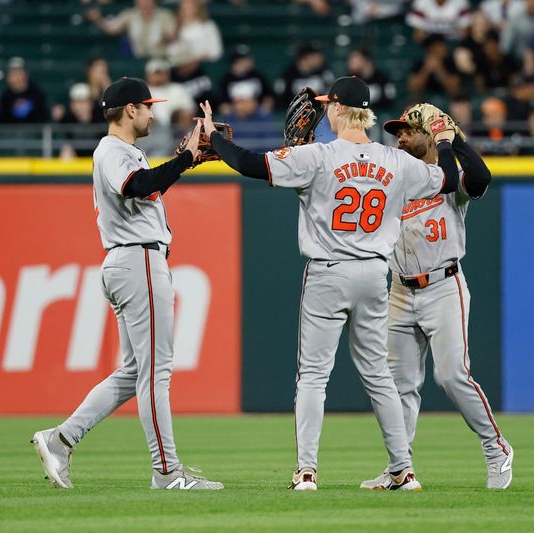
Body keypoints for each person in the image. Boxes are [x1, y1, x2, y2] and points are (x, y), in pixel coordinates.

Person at [199, 76, 463, 490]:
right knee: (378, 376)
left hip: (328, 270)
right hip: (376, 273)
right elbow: (447, 179)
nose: (324, 112)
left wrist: (215, 138)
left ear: (338, 109)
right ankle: (403, 470)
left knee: (313, 376)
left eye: (328, 106)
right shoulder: (396, 162)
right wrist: (445, 142)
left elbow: (251, 164)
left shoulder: (318, 157)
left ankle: (306, 472)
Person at [31, 76, 223, 490]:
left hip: (132, 261)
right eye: (148, 106)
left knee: (135, 371)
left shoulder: (125, 151)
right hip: (137, 260)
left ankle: (60, 439)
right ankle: (167, 472)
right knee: (156, 374)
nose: (154, 112)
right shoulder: (112, 150)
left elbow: (149, 186)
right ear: (130, 109)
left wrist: (186, 160)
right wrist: (186, 157)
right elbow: (139, 186)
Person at [360, 105, 513, 490]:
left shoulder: (449, 177)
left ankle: (496, 448)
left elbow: (480, 178)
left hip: (444, 285)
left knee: (452, 375)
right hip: (400, 289)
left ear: (429, 136)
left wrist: (454, 140)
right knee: (399, 385)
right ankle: (400, 468)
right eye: (398, 132)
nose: (400, 137)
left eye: (409, 131)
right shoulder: (394, 179)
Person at [86, 0, 176, 59]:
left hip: (160, 58)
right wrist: (98, 19)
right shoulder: (129, 15)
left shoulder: (165, 15)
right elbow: (112, 28)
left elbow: (172, 36)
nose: (145, 3)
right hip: (137, 58)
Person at [166, 0, 223, 68]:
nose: (188, 10)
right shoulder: (176, 26)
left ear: (198, 8)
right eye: (185, 7)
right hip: (180, 67)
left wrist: (199, 58)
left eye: (191, 7)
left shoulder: (208, 26)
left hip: (202, 66)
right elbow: (171, 51)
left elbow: (216, 52)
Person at [219, 45, 274, 114]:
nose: (243, 63)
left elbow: (268, 96)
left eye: (246, 60)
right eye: (240, 61)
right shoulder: (227, 79)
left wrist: (264, 107)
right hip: (235, 114)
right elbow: (223, 104)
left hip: (257, 113)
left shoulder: (258, 76)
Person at [58, 83, 107, 159]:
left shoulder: (101, 118)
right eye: (74, 102)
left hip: (99, 159)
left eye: (82, 102)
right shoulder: (66, 119)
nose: (78, 106)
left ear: (90, 103)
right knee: (66, 150)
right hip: (76, 164)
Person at [0, 57, 49, 124]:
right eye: (12, 74)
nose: (16, 78)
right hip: (11, 133)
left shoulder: (37, 94)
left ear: (26, 74)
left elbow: (43, 119)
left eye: (19, 73)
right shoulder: (5, 97)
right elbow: (1, 122)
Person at [405, 0, 473, 43]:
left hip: (453, 42)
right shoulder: (421, 2)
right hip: (429, 42)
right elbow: (418, 34)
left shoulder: (461, 2)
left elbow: (464, 32)